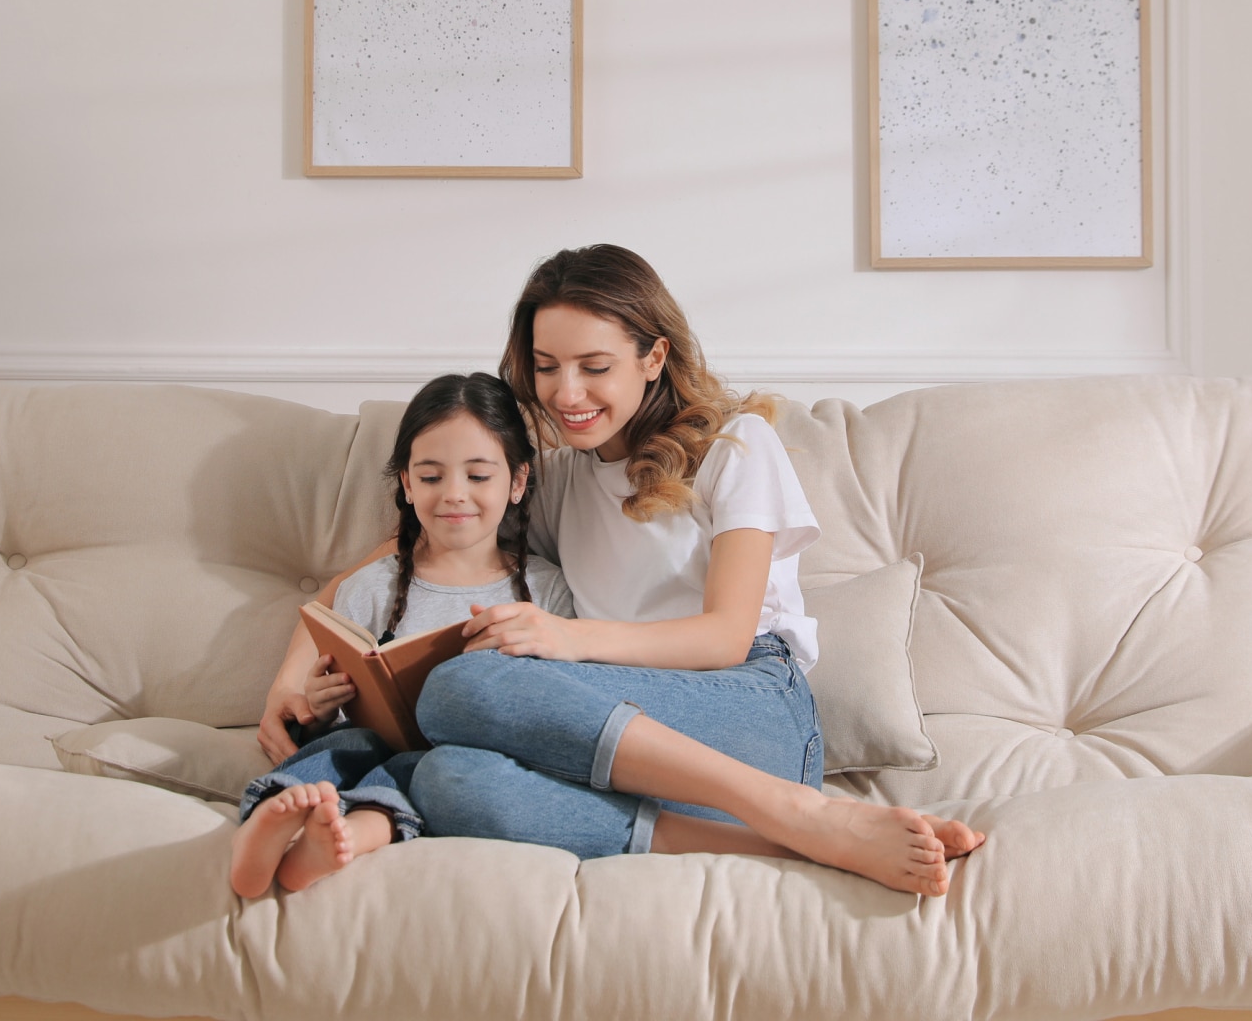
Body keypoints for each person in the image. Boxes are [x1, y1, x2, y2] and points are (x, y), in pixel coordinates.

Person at [400, 245, 984, 896]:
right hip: (626, 735)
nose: (567, 394)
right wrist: (304, 656)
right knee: (442, 779)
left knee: (460, 688)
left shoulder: (734, 446)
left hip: (750, 705)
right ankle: (781, 841)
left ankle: (800, 808)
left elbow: (727, 636)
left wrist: (572, 639)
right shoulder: (561, 478)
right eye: (545, 368)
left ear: (654, 358)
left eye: (595, 367)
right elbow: (429, 533)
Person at [231, 372, 573, 898]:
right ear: (408, 485)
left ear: (518, 481)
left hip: (467, 761)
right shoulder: (371, 587)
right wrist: (321, 702)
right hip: (370, 744)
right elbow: (341, 700)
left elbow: (563, 701)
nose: (454, 495)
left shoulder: (545, 591)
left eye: (479, 476)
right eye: (432, 477)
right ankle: (271, 818)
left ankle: (348, 832)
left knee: (434, 770)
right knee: (350, 742)